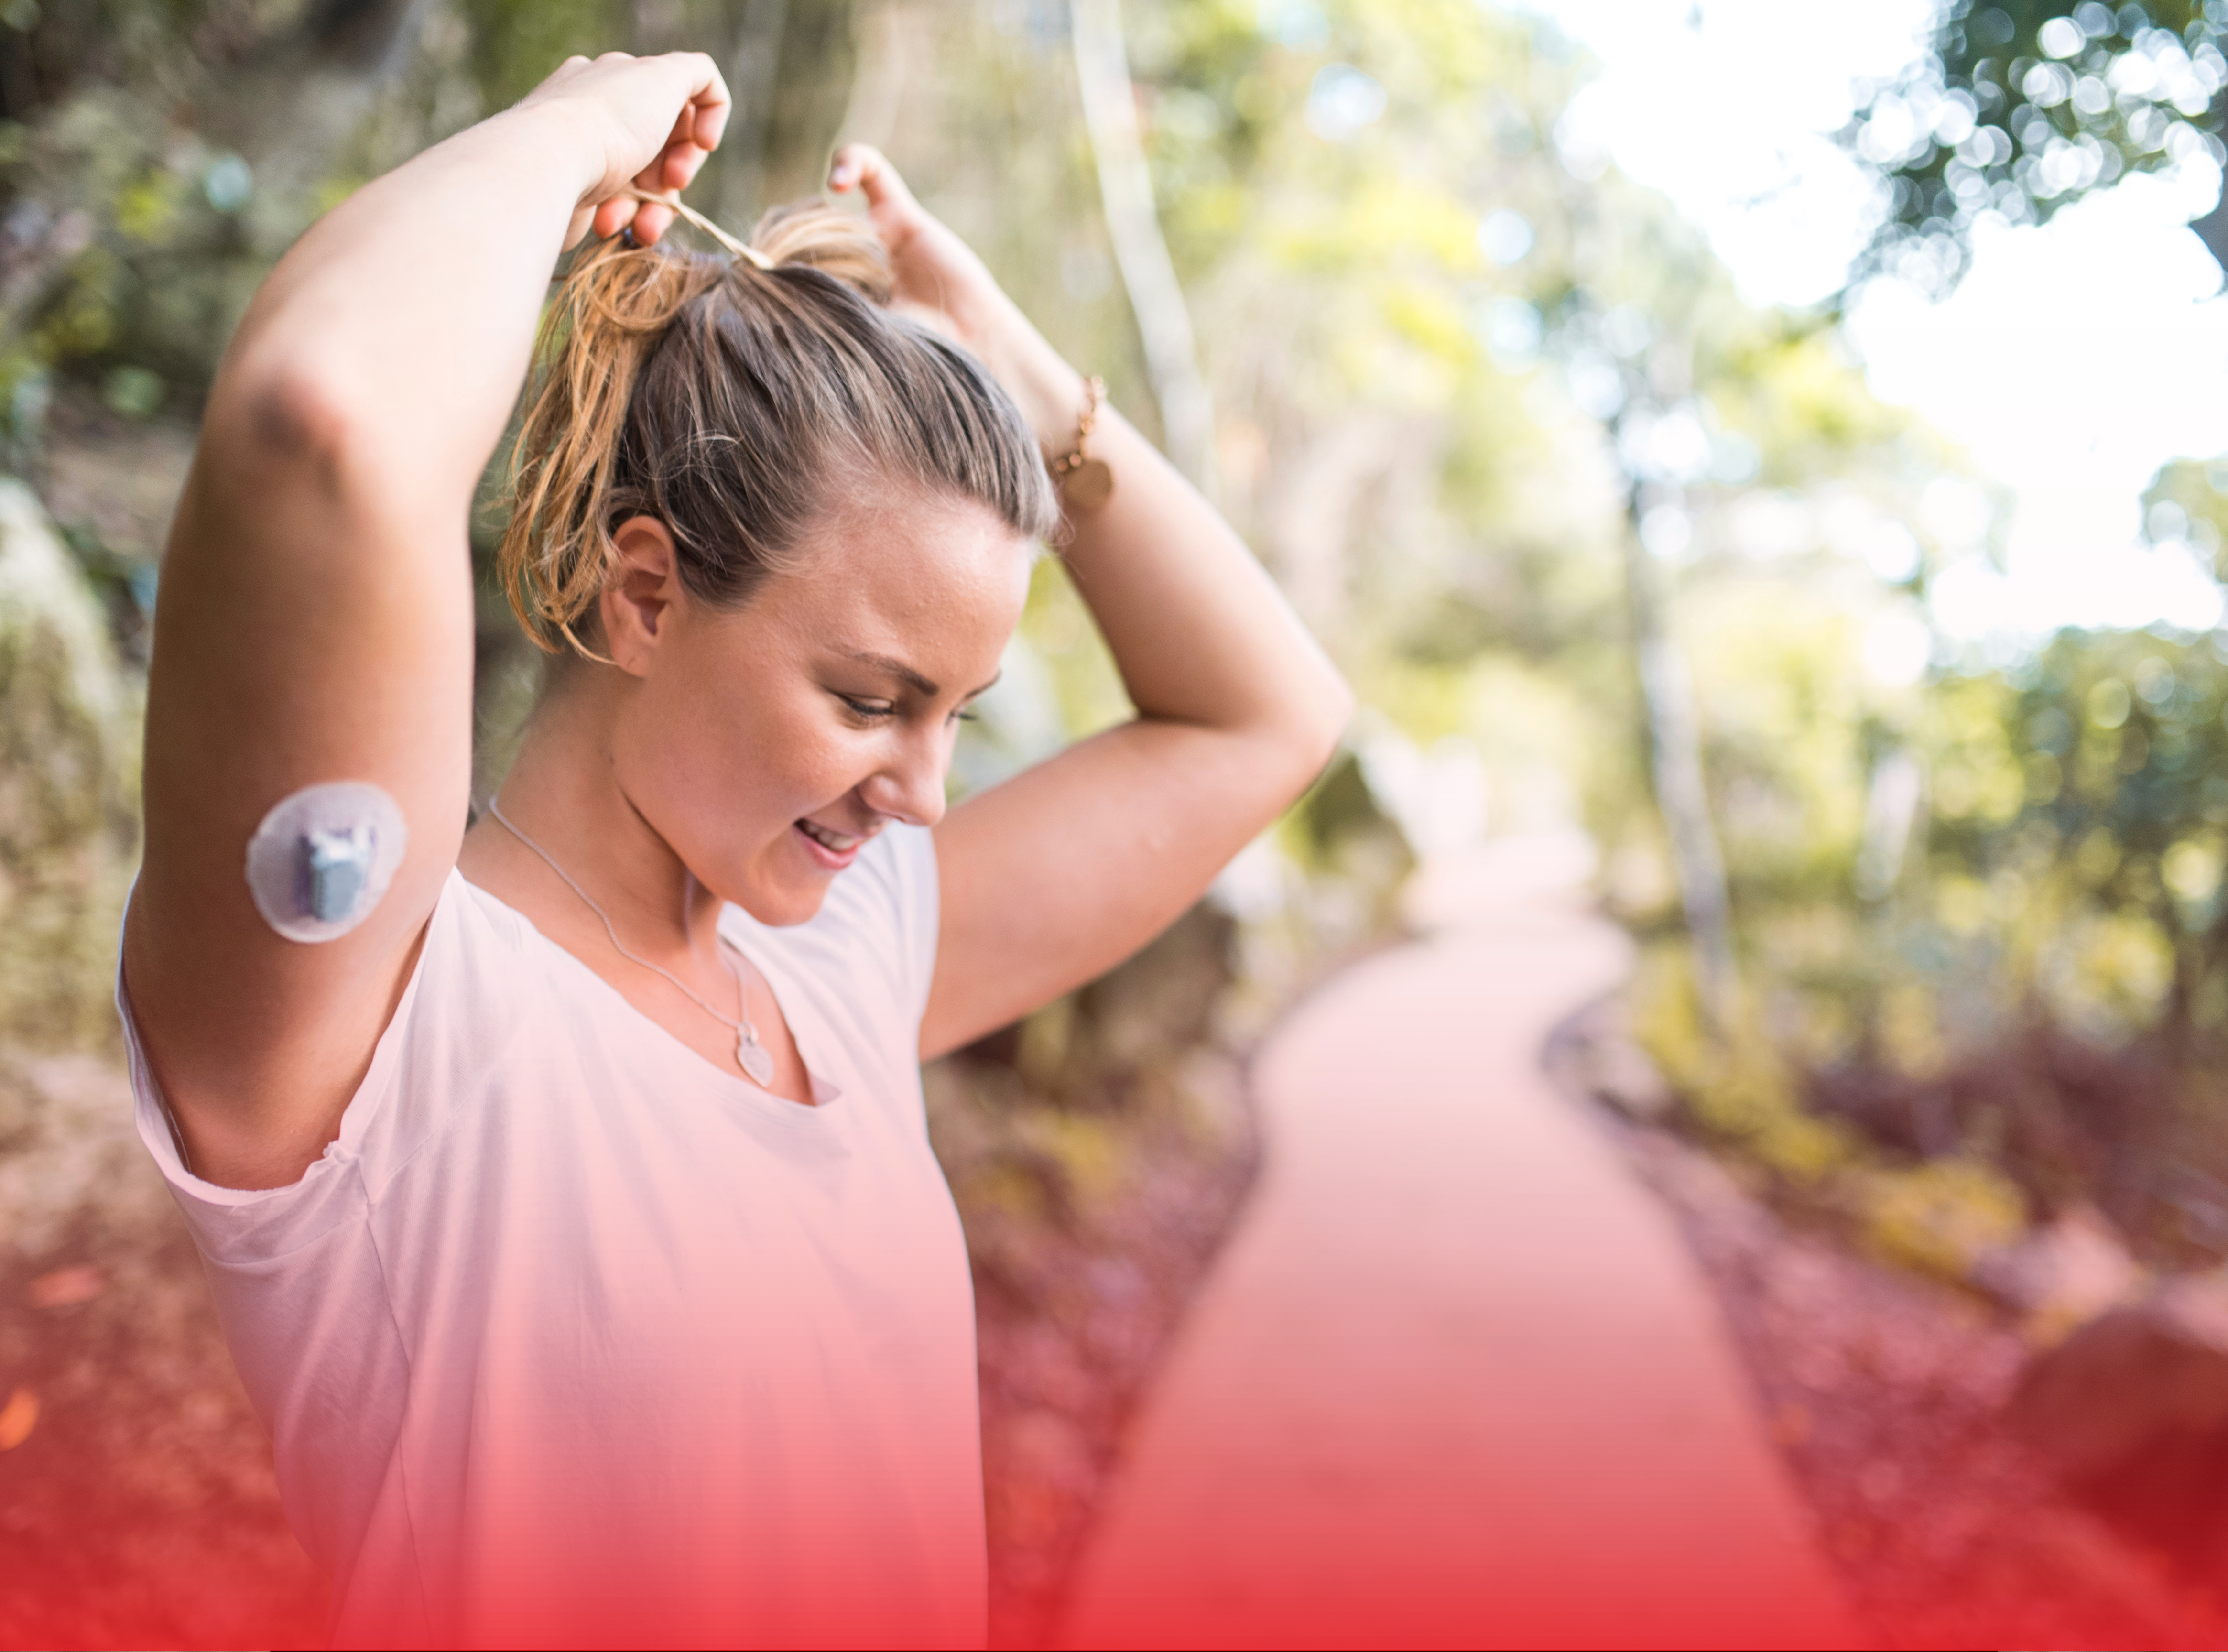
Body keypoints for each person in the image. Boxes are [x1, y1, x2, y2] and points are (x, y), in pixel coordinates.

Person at [119, 48, 1350, 1650]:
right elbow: (323, 423)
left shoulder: (839, 959)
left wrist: (1028, 390)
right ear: (646, 594)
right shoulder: (379, 1021)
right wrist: (572, 132)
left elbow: (1270, 719)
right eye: (870, 700)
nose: (922, 793)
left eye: (957, 716)